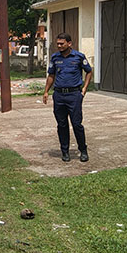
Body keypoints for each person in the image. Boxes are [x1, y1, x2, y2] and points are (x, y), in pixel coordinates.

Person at [42, 33, 93, 163]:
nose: (59, 46)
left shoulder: (78, 57)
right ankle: (65, 151)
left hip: (74, 95)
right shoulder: (55, 58)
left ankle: (83, 150)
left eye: (61, 43)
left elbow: (88, 71)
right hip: (59, 95)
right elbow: (51, 75)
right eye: (57, 43)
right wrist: (46, 91)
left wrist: (84, 89)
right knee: (62, 124)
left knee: (76, 124)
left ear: (69, 43)